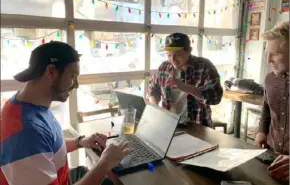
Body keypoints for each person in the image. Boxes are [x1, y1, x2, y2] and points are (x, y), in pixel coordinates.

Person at [0, 41, 130, 185]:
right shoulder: (25, 133)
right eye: (72, 76)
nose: (77, 84)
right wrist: (104, 163)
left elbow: (48, 148)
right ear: (51, 72)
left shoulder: (30, 106)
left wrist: (80, 142)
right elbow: (36, 144)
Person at [147, 33, 223, 127]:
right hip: (169, 125)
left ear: (189, 51)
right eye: (169, 55)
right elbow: (153, 90)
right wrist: (155, 106)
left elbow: (215, 97)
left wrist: (184, 87)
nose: (172, 59)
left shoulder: (204, 66)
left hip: (198, 126)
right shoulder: (164, 67)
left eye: (177, 54)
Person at [255, 22, 289, 182]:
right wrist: (262, 131)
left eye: (275, 54)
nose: (268, 60)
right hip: (271, 156)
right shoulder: (269, 79)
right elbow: (266, 108)